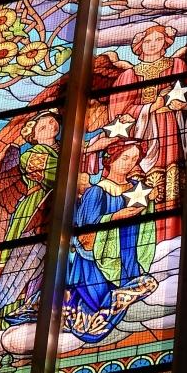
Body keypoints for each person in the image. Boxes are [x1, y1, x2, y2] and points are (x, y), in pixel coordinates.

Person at [61, 138, 159, 343]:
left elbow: (144, 218)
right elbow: (85, 234)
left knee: (138, 281)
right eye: (124, 158)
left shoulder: (137, 189)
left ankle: (124, 290)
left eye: (134, 159)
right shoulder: (97, 192)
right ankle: (104, 305)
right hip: (97, 260)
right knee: (97, 299)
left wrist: (149, 203)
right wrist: (115, 217)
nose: (129, 163)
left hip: (128, 250)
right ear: (110, 159)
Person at [0, 110, 60, 329]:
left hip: (58, 207)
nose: (50, 126)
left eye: (52, 122)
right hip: (35, 210)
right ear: (34, 136)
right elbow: (55, 176)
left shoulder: (63, 149)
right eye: (43, 126)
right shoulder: (31, 155)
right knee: (20, 264)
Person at [109, 23, 187, 236]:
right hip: (141, 134)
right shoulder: (129, 75)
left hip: (170, 128)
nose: (153, 44)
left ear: (166, 43)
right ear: (139, 45)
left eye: (158, 40)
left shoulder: (177, 65)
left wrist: (182, 105)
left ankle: (173, 232)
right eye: (148, 40)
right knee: (142, 180)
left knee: (172, 179)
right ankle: (144, 233)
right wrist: (150, 107)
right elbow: (120, 112)